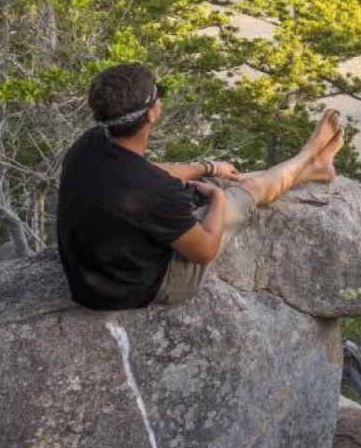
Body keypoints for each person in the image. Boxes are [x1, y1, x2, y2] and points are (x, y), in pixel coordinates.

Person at [55, 61, 344, 310]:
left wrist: (209, 168)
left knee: (224, 178)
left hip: (94, 278)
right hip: (145, 287)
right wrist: (218, 198)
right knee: (247, 191)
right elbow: (204, 251)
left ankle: (312, 172)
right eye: (160, 94)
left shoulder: (90, 143)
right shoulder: (154, 191)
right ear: (152, 113)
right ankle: (309, 155)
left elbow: (148, 172)